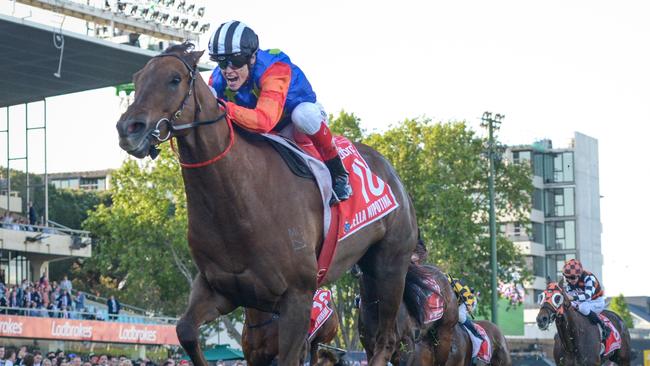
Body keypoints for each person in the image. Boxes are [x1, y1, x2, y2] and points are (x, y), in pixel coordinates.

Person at [208, 20, 352, 202]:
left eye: (235, 61)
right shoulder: (218, 77)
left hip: (294, 121)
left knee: (304, 116)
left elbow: (263, 122)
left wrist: (223, 106)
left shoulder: (274, 69)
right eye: (221, 62)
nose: (228, 70)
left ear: (252, 58)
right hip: (264, 125)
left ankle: (338, 173)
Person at [562, 258, 610, 340]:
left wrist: (572, 298)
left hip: (596, 302)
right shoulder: (569, 282)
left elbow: (588, 296)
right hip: (581, 301)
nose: (570, 280)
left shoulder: (589, 278)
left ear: (579, 275)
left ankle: (603, 326)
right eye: (567, 277)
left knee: (583, 307)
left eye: (572, 277)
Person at [447, 274, 483, 341]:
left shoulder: (454, 283)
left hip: (469, 299)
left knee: (460, 315)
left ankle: (476, 333)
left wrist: (469, 305)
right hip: (457, 304)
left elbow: (468, 296)